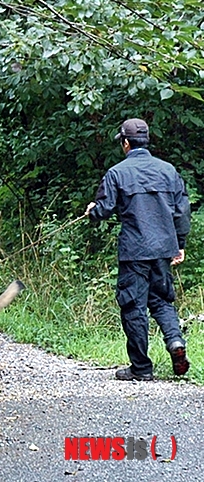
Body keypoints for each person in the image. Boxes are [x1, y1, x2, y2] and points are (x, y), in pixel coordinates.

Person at [85, 118, 191, 381]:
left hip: (135, 251)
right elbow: (182, 211)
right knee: (162, 301)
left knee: (133, 306)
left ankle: (141, 368)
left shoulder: (117, 173)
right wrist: (180, 244)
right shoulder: (168, 171)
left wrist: (92, 212)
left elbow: (104, 209)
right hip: (163, 249)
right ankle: (175, 342)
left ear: (125, 143)